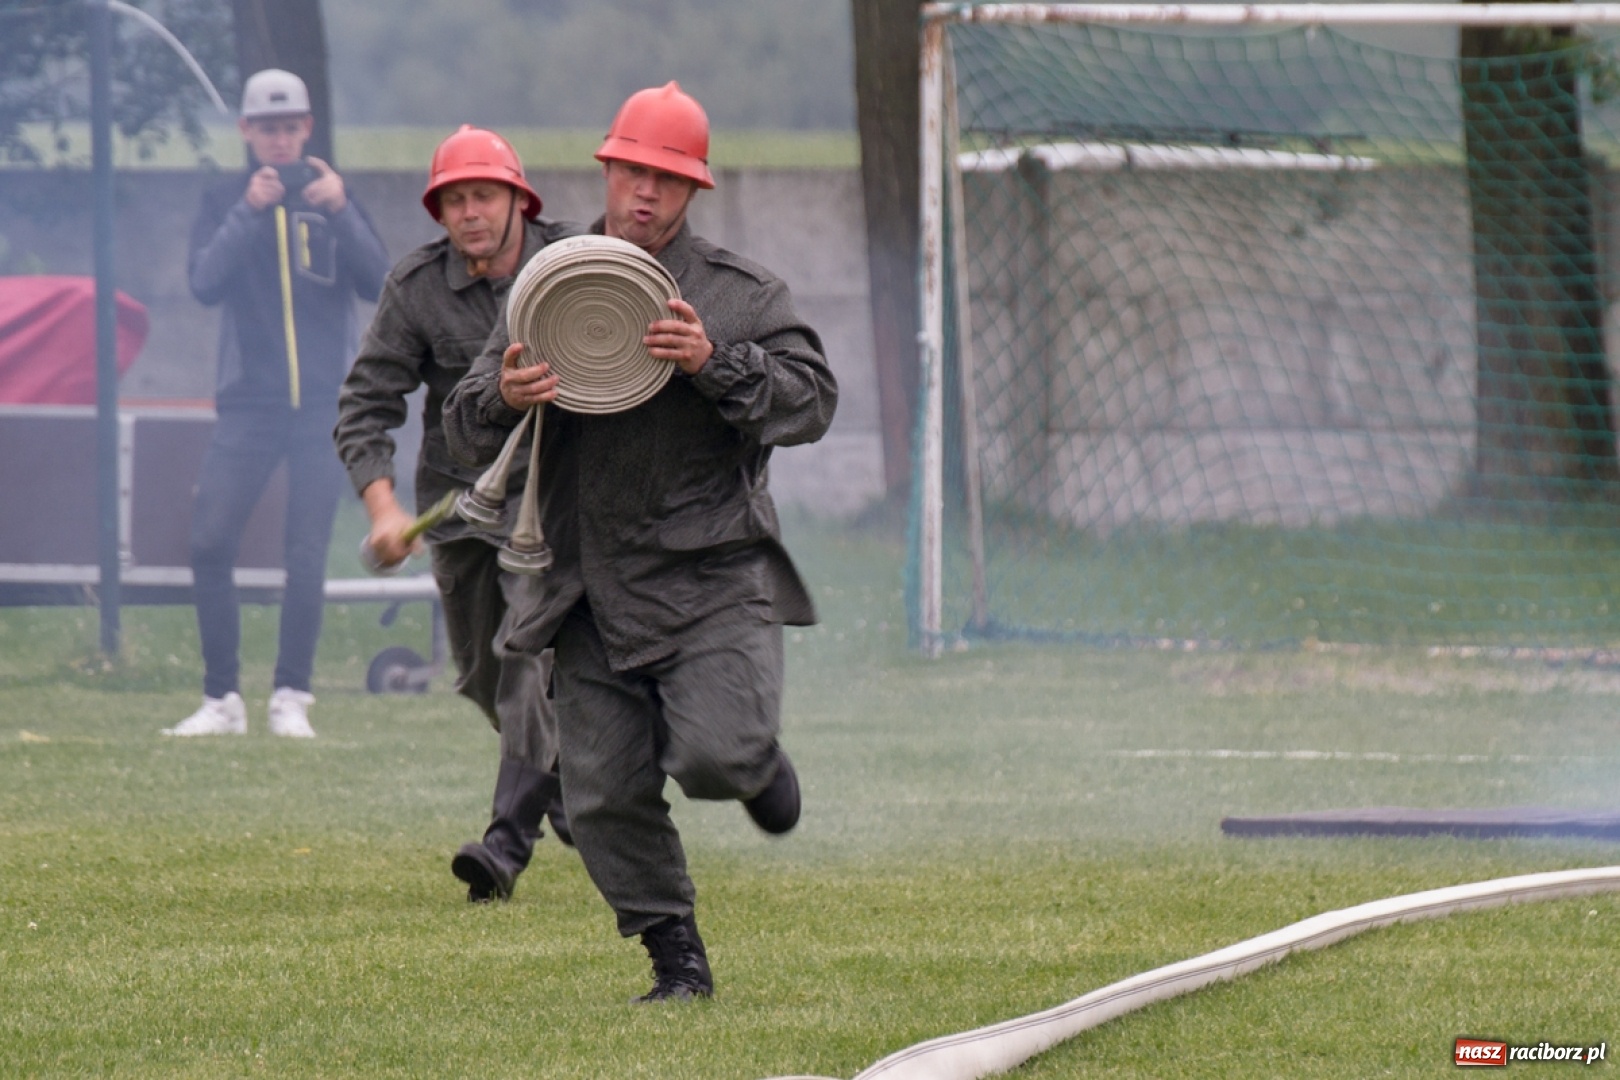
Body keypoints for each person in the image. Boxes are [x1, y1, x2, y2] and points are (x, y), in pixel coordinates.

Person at [443, 82, 838, 1002]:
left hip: (711, 575)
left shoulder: (739, 296)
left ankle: (753, 762)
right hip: (584, 590)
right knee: (601, 796)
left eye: (666, 178)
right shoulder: (547, 288)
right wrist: (506, 391)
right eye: (631, 173)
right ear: (607, 171)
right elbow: (462, 426)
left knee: (713, 756)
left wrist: (715, 363)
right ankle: (677, 965)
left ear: (694, 189)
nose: (645, 194)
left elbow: (813, 402)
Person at [333, 125, 579, 901]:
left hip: (557, 505)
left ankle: (504, 848)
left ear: (519, 200)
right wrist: (383, 511)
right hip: (459, 506)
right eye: (455, 201)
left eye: (484, 196)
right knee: (482, 676)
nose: (470, 213)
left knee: (525, 661)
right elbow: (364, 408)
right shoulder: (415, 288)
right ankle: (574, 791)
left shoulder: (574, 259)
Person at [165, 69, 390, 738]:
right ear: (246, 133)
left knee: (306, 550)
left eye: (290, 126)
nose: (280, 138)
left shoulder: (335, 197)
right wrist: (249, 212)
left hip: (323, 405)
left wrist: (343, 210)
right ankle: (221, 700)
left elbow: (381, 281)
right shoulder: (225, 199)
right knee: (210, 540)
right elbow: (203, 282)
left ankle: (292, 695)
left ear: (307, 128)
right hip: (249, 406)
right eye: (267, 128)